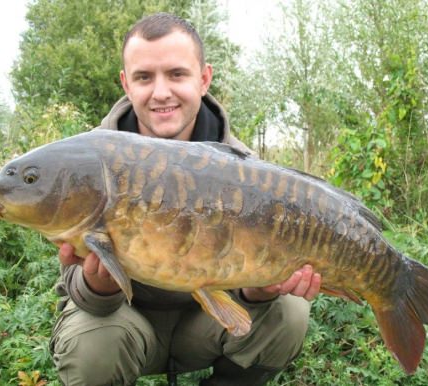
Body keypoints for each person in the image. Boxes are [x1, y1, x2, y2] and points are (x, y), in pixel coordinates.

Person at [50, 12, 321, 386]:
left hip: (204, 325)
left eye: (177, 74)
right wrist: (102, 285)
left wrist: (257, 291)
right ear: (126, 84)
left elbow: (249, 287)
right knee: (92, 344)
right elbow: (83, 298)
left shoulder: (245, 172)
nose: (161, 92)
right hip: (126, 324)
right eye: (145, 77)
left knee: (288, 312)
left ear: (204, 78)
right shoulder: (87, 163)